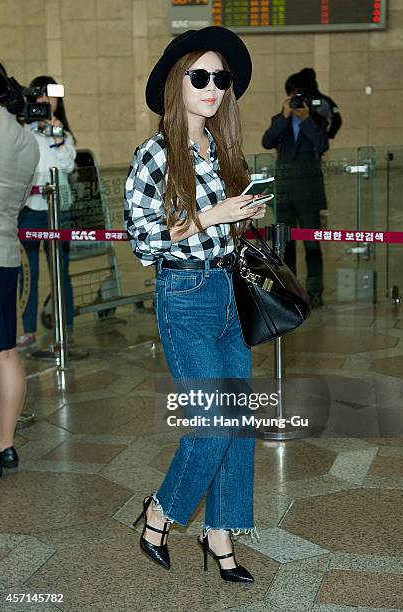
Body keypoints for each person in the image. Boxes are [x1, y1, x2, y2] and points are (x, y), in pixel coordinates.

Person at [124, 27, 265, 582]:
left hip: (230, 292)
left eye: (220, 79)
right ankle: (161, 510)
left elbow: (222, 227)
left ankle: (221, 534)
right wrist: (211, 217)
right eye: (200, 77)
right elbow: (143, 240)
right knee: (212, 424)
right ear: (175, 83)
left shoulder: (223, 148)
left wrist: (243, 215)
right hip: (185, 296)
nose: (212, 87)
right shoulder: (156, 154)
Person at [0, 61, 39, 478]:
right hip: (6, 255)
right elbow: (24, 197)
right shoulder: (26, 141)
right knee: (6, 352)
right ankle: (5, 446)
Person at [17, 75, 76, 351]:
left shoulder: (63, 133)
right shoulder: (23, 131)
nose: (44, 100)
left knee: (60, 271)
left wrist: (57, 136)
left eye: (50, 95)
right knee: (28, 274)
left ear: (57, 101)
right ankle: (28, 329)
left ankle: (67, 328)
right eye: (39, 95)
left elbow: (68, 164)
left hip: (58, 209)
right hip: (29, 210)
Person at [262, 72, 329, 307]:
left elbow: (322, 145)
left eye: (299, 93)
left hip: (309, 192)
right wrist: (284, 115)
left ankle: (315, 291)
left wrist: (306, 119)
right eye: (292, 93)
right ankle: (290, 291)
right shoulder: (279, 119)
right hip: (284, 191)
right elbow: (267, 142)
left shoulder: (318, 120)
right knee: (285, 245)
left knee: (312, 244)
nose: (295, 97)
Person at [298, 67, 342, 140]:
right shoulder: (326, 100)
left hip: (314, 139)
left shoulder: (324, 101)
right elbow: (337, 119)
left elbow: (337, 120)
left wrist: (329, 134)